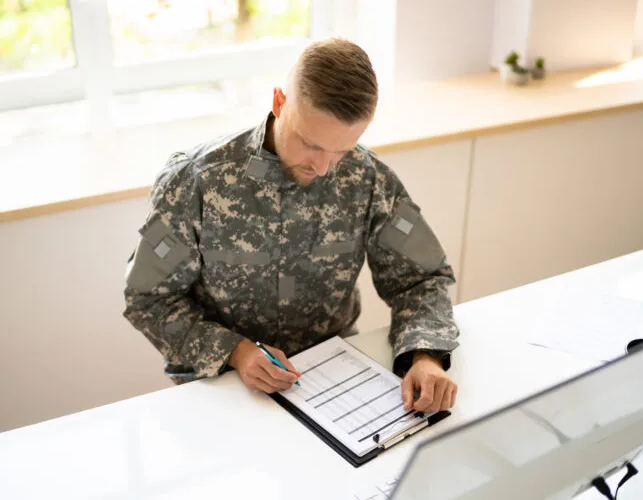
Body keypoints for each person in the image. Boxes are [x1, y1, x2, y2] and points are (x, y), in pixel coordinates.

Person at [123, 38, 459, 414]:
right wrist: (234, 351)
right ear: (279, 102)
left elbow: (422, 279)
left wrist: (425, 354)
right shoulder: (196, 181)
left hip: (332, 382)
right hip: (222, 389)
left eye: (342, 151)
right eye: (311, 145)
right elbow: (148, 299)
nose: (324, 169)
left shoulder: (369, 179)